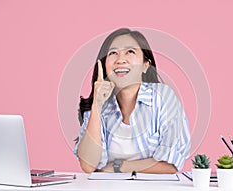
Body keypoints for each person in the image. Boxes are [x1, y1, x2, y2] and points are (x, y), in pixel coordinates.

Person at [74, 28, 191, 174]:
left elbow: (171, 164)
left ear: (145, 65)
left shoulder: (163, 98)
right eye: (113, 53)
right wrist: (96, 106)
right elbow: (88, 165)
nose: (120, 59)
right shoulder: (99, 104)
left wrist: (117, 167)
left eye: (130, 51)